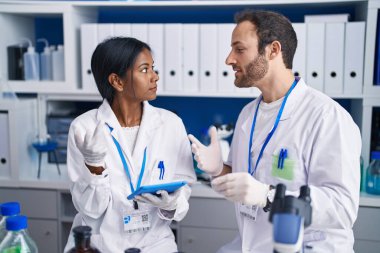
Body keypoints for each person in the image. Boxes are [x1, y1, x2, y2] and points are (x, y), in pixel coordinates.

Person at [188, 10, 361, 252]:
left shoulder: (327, 117)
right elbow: (249, 182)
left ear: (273, 50)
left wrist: (268, 196)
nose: (229, 59)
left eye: (239, 49)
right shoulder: (248, 114)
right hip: (253, 244)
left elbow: (343, 208)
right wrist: (219, 170)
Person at [64, 37, 196, 253]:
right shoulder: (84, 129)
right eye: (144, 70)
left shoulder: (171, 124)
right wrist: (94, 166)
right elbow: (90, 210)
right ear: (117, 81)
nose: (155, 76)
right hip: (100, 245)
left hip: (155, 243)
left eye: (153, 68)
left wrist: (172, 204)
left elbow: (185, 186)